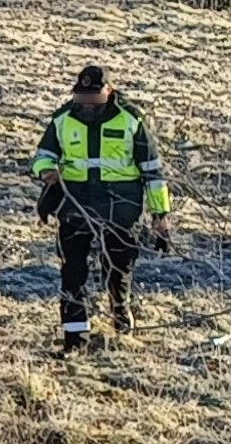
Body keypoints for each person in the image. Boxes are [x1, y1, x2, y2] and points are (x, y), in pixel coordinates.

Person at [33, 65, 172, 352]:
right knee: (72, 274)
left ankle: (120, 310)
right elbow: (42, 156)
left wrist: (160, 216)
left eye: (92, 97)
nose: (86, 104)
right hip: (74, 206)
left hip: (119, 209)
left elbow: (153, 173)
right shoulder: (63, 118)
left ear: (108, 92)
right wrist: (46, 171)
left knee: (118, 269)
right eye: (82, 97)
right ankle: (75, 342)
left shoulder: (131, 120)